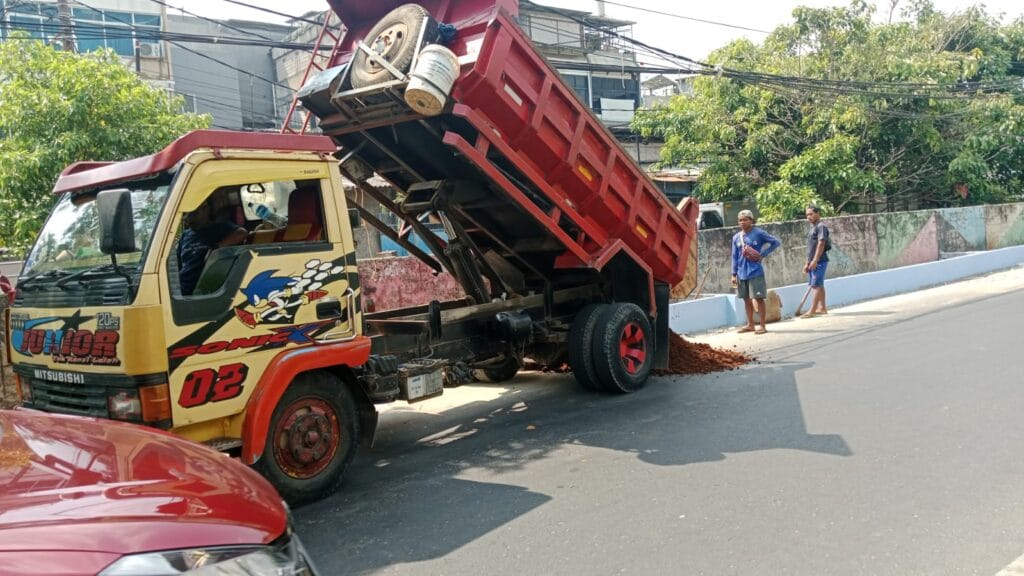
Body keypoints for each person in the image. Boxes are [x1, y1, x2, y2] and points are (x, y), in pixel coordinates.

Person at [177, 191, 249, 296]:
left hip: (205, 289)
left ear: (205, 209)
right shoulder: (185, 235)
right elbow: (177, 264)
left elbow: (242, 233)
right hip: (182, 289)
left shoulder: (220, 227)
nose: (187, 219)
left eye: (193, 214)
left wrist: (216, 249)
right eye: (184, 215)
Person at [731, 209, 781, 334]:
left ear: (751, 220)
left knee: (758, 299)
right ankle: (750, 324)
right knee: (746, 300)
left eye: (745, 219)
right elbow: (734, 256)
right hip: (742, 273)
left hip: (755, 271)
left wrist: (762, 254)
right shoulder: (736, 237)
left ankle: (762, 325)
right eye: (740, 220)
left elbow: (775, 242)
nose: (742, 222)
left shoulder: (759, 233)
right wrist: (733, 274)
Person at [801, 204, 831, 317]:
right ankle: (822, 307)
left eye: (811, 214)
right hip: (813, 261)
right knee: (819, 285)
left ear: (817, 213)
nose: (808, 217)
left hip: (820, 260)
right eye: (807, 215)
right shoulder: (812, 228)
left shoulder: (821, 227)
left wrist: (815, 260)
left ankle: (812, 310)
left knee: (816, 285)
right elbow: (811, 248)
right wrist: (807, 262)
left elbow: (821, 243)